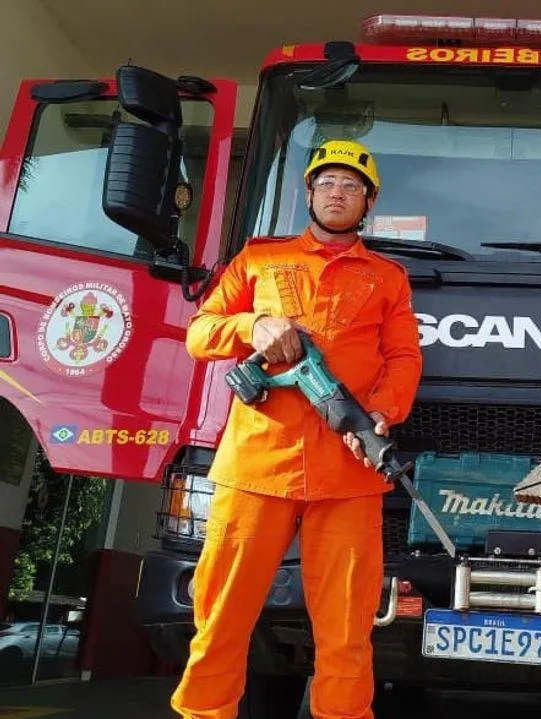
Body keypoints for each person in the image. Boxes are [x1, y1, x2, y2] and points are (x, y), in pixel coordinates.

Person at [170, 139, 423, 719]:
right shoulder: (259, 259)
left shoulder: (388, 278)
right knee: (222, 615)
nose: (338, 192)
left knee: (347, 628)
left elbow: (404, 357)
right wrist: (254, 323)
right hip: (255, 467)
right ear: (308, 193)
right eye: (328, 182)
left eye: (351, 186)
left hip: (351, 470)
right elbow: (199, 333)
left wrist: (382, 413)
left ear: (369, 202)